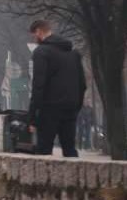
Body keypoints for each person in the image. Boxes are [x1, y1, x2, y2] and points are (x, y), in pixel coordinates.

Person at [27, 20, 86, 157]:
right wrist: (76, 106)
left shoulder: (41, 53)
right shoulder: (74, 54)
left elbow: (38, 85)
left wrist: (32, 115)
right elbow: (82, 84)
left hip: (49, 109)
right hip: (70, 108)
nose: (34, 39)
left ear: (39, 32)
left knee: (44, 150)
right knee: (70, 149)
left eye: (33, 36)